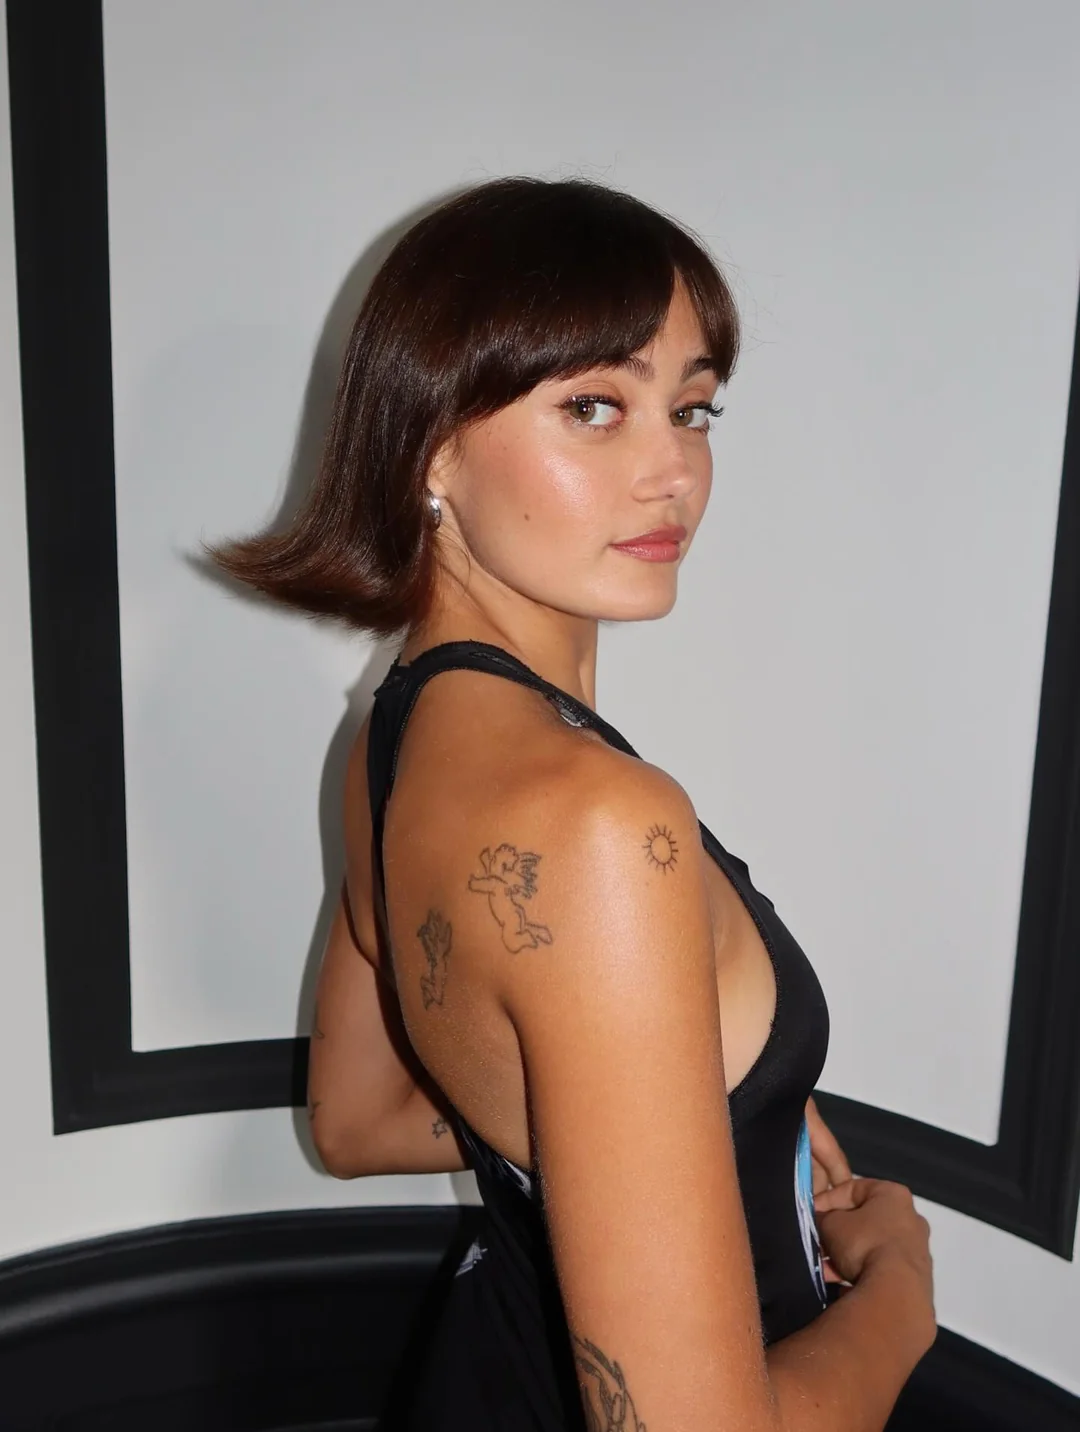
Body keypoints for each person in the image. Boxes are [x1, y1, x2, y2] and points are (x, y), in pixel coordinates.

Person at [208, 176, 936, 1431]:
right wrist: (905, 1291)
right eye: (594, 406)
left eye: (693, 407)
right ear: (430, 446)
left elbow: (359, 1119)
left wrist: (656, 1112)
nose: (673, 471)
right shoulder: (597, 827)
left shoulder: (392, 738)